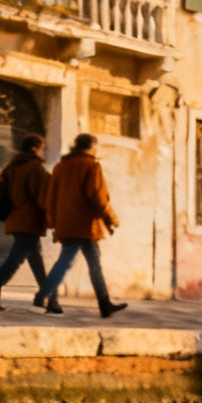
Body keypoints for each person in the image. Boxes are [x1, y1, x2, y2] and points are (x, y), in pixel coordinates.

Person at [36, 133, 126, 318]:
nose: (96, 150)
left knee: (73, 262)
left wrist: (53, 221)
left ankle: (102, 303)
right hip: (85, 226)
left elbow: (51, 197)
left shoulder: (60, 167)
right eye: (95, 146)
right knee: (86, 264)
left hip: (67, 224)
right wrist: (111, 218)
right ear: (91, 147)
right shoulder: (91, 166)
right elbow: (98, 197)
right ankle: (43, 296)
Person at [0, 134, 51, 311]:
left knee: (35, 257)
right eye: (42, 148)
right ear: (34, 149)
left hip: (15, 219)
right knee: (16, 257)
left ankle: (48, 294)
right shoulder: (35, 168)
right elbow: (44, 197)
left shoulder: (13, 167)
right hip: (29, 221)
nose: (44, 152)